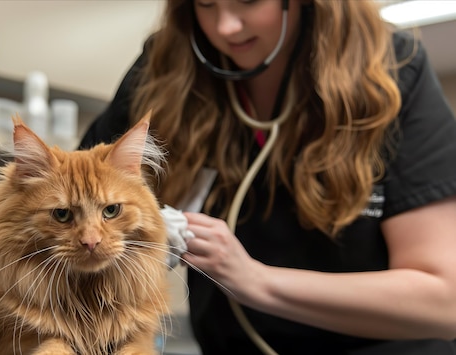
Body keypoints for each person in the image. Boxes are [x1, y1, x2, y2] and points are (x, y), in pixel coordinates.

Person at [80, 0, 456, 354]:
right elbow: (73, 205)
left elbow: (443, 301)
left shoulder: (391, 71)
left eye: (248, 1)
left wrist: (255, 281)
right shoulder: (165, 69)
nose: (226, 27)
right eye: (206, 4)